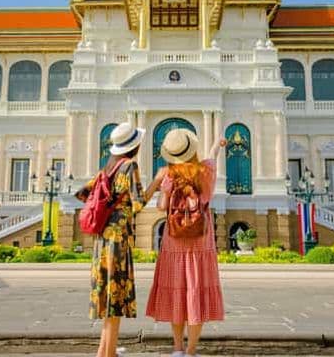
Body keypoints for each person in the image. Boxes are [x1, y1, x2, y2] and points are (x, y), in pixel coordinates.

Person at [145, 129, 226, 357]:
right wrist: (218, 145)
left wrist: (162, 185)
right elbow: (212, 155)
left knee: (177, 292)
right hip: (201, 240)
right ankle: (191, 351)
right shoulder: (206, 170)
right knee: (196, 292)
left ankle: (178, 348)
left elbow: (162, 206)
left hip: (174, 241)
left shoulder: (170, 174)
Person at [74, 122, 149, 357]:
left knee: (107, 295)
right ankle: (107, 354)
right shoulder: (129, 166)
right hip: (118, 239)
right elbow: (139, 203)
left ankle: (105, 351)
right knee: (115, 297)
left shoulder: (106, 169)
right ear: (135, 146)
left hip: (101, 239)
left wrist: (107, 206)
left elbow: (82, 195)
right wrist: (156, 183)